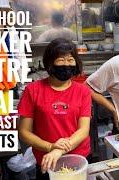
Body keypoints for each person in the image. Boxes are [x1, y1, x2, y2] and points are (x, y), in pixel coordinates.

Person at [18, 38, 91, 179]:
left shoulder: (83, 91)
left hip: (78, 159)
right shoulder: (32, 90)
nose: (66, 64)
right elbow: (24, 132)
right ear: (50, 63)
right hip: (47, 161)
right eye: (61, 60)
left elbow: (83, 130)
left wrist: (59, 150)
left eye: (70, 60)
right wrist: (51, 147)